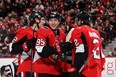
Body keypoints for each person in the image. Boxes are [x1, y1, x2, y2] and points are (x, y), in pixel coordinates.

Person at [65, 11, 105, 77]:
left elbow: (80, 50)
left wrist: (76, 68)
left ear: (80, 21)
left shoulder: (78, 30)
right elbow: (102, 56)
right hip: (97, 70)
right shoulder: (96, 33)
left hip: (85, 70)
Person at [34, 11, 72, 77]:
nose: (53, 23)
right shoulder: (43, 30)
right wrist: (56, 48)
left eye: (55, 20)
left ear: (59, 21)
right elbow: (40, 50)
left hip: (56, 70)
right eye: (51, 20)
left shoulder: (62, 34)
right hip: (42, 68)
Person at [9, 10, 45, 77]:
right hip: (26, 68)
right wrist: (25, 46)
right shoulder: (24, 31)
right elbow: (12, 48)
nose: (44, 22)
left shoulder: (42, 33)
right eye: (42, 19)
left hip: (38, 68)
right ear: (36, 20)